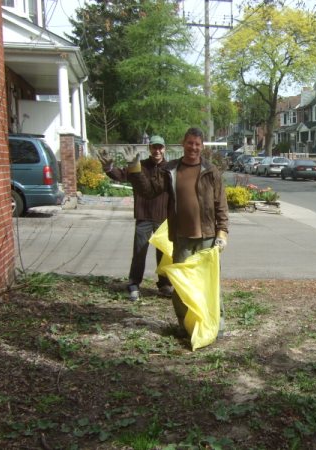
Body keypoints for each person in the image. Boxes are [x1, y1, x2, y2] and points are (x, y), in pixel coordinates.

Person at [128, 127, 229, 336]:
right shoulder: (170, 170)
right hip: (181, 238)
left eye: (197, 144)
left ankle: (215, 323)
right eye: (190, 143)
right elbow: (148, 191)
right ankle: (185, 326)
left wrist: (222, 234)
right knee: (181, 285)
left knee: (209, 284)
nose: (193, 147)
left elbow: (221, 205)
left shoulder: (211, 172)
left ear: (202, 147)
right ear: (183, 143)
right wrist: (135, 168)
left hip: (208, 238)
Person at [97, 136, 172, 301]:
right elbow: (122, 175)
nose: (157, 151)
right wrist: (109, 167)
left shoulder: (169, 168)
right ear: (149, 148)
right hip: (144, 216)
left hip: (162, 217)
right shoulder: (140, 165)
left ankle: (165, 284)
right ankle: (134, 283)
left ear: (164, 149)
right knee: (139, 252)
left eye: (160, 147)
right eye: (154, 147)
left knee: (164, 254)